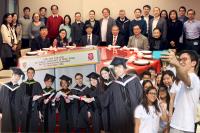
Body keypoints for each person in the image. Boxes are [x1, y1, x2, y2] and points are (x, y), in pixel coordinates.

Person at [161, 50, 200, 133]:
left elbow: (186, 78)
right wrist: (171, 115)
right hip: (177, 125)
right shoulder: (180, 81)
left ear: (193, 63)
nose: (181, 62)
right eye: (180, 59)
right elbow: (172, 98)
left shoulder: (193, 77)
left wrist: (176, 64)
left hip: (183, 127)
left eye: (184, 59)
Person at [101, 57, 143, 133]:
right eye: (115, 68)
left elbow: (141, 96)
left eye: (120, 67)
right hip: (121, 119)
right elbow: (105, 102)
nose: (118, 70)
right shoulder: (113, 85)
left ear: (124, 68)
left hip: (135, 114)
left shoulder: (134, 79)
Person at [0, 67, 25, 132]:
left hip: (16, 114)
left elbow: (23, 101)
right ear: (12, 75)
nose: (17, 77)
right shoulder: (4, 86)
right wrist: (0, 112)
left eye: (18, 76)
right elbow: (0, 99)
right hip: (6, 113)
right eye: (15, 75)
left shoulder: (20, 89)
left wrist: (32, 98)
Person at [19, 67, 43, 132]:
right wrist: (31, 98)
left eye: (32, 73)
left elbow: (41, 97)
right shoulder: (22, 85)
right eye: (29, 72)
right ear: (27, 74)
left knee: (33, 127)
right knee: (25, 127)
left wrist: (40, 111)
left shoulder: (37, 84)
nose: (30, 74)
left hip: (34, 110)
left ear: (34, 74)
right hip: (24, 110)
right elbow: (20, 97)